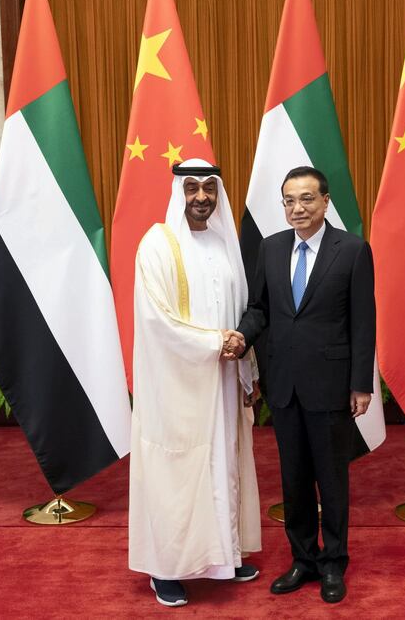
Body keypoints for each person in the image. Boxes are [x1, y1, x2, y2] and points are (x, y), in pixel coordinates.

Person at [225, 166, 375, 604]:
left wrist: (360, 384)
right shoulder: (270, 249)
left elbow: (363, 322)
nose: (297, 208)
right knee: (293, 481)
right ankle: (303, 560)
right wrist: (240, 336)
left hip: (331, 384)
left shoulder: (351, 250)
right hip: (285, 384)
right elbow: (260, 308)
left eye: (307, 199)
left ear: (326, 201)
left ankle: (334, 564)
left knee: (331, 480)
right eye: (289, 200)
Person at [129, 159, 262, 607]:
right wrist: (215, 342)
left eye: (208, 188)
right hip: (176, 384)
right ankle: (165, 568)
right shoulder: (157, 245)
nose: (201, 197)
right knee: (178, 470)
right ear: (177, 192)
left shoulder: (227, 244)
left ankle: (225, 554)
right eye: (191, 188)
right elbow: (156, 319)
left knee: (225, 462)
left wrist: (243, 352)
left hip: (223, 378)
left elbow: (244, 306)